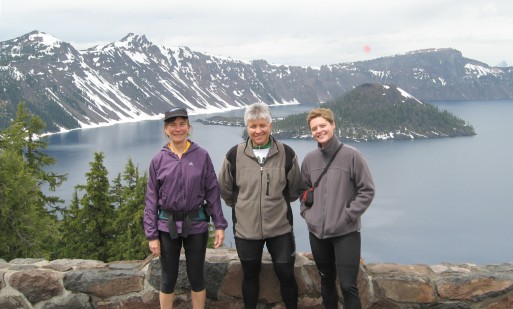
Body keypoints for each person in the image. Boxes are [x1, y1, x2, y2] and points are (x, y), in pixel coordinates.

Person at [218, 102, 301, 309]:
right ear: (247, 128)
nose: (258, 131)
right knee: (250, 275)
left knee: (286, 275)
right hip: (246, 230)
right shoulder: (234, 155)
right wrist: (241, 206)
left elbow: (294, 190)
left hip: (280, 228)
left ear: (271, 126)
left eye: (262, 125)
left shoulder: (286, 153)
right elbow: (225, 189)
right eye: (253, 126)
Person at [143, 107, 228, 309]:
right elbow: (151, 200)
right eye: (172, 125)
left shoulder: (202, 156)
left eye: (182, 124)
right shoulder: (158, 160)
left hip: (196, 224)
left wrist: (219, 225)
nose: (177, 129)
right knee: (168, 277)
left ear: (189, 127)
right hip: (166, 225)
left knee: (196, 276)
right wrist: (152, 235)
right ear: (166, 130)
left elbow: (212, 192)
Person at [299, 108, 375, 309]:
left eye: (323, 125)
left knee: (348, 285)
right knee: (326, 282)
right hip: (317, 234)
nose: (319, 130)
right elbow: (303, 191)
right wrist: (308, 215)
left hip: (345, 233)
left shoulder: (352, 156)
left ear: (333, 125)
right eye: (314, 128)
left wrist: (348, 215)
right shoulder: (309, 160)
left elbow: (367, 190)